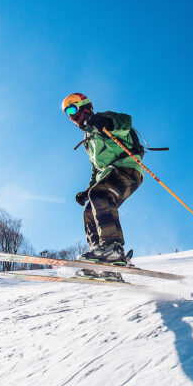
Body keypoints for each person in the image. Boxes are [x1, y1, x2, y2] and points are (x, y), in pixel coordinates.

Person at [62, 93, 144, 279]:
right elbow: (96, 169)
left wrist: (107, 122)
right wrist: (88, 190)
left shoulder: (104, 118)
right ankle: (101, 259)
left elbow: (126, 122)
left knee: (100, 194)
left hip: (128, 170)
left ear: (85, 107)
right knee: (90, 207)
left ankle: (113, 248)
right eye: (68, 115)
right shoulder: (88, 140)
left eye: (73, 110)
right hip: (108, 175)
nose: (72, 117)